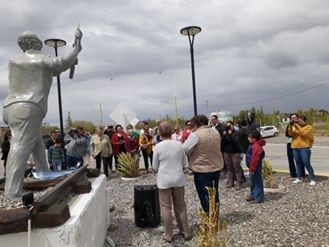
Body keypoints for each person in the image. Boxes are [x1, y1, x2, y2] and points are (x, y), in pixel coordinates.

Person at [3, 28, 82, 198]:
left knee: (37, 145)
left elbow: (52, 71)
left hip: (11, 107)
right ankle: (13, 191)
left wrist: (65, 65)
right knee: (21, 147)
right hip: (29, 107)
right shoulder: (40, 59)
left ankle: (44, 177)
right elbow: (60, 63)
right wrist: (76, 48)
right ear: (36, 43)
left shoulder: (15, 60)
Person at [152, 121, 190, 243]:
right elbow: (185, 164)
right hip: (178, 178)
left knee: (166, 207)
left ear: (159, 132)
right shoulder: (179, 145)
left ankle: (168, 234)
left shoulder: (158, 147)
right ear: (172, 131)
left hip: (164, 181)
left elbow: (155, 167)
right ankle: (185, 231)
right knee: (181, 206)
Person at [183, 115, 224, 213]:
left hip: (201, 169)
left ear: (197, 124)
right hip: (216, 167)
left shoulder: (195, 135)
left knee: (205, 196)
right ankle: (215, 218)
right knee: (214, 194)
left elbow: (184, 149)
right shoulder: (215, 132)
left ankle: (208, 221)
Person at [288, 116, 316, 185]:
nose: (299, 122)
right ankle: (298, 178)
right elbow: (290, 134)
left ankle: (312, 178)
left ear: (305, 121)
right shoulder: (296, 127)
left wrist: (297, 126)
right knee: (298, 164)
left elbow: (303, 133)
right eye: (298, 121)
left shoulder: (309, 127)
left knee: (306, 163)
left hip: (304, 147)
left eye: (300, 121)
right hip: (295, 147)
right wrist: (290, 126)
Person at [221, 121, 244, 190]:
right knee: (229, 168)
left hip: (235, 152)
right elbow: (222, 144)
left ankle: (239, 182)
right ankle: (231, 181)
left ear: (233, 125)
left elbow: (236, 143)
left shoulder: (237, 133)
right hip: (226, 152)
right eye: (227, 126)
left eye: (229, 126)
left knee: (237, 168)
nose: (228, 127)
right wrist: (224, 136)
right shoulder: (225, 134)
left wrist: (230, 135)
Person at [245, 130, 266, 203]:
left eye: (250, 137)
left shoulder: (256, 147)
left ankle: (259, 197)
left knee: (257, 182)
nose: (248, 139)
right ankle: (253, 194)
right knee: (253, 181)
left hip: (255, 167)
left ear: (254, 139)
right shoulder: (253, 145)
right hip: (252, 167)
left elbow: (255, 159)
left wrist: (252, 169)